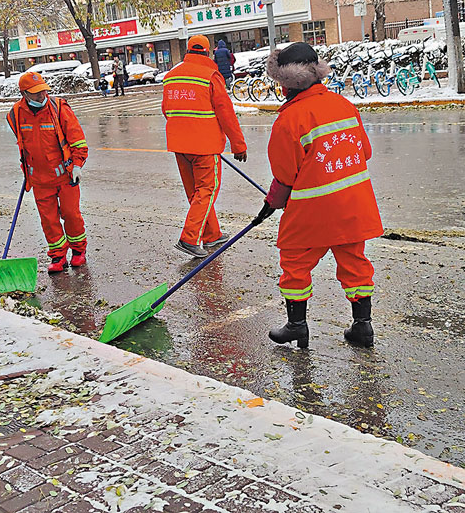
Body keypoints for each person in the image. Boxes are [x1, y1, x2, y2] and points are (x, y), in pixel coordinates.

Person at [259, 42, 383, 349]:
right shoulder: (344, 106)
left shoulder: (289, 120)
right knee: (355, 264)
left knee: (295, 265)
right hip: (353, 208)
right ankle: (362, 326)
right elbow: (363, 152)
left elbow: (286, 177)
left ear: (284, 83)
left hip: (312, 215)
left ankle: (297, 326)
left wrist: (271, 203)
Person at [162, 34, 248, 259]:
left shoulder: (170, 77)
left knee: (196, 193)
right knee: (207, 191)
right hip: (205, 146)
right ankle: (189, 239)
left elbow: (166, 110)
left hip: (180, 145)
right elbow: (226, 113)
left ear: (187, 51)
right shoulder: (210, 76)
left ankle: (212, 234)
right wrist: (238, 145)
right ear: (208, 52)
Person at [7, 71, 89, 272]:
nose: (41, 96)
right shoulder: (15, 114)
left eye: (43, 91)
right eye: (35, 93)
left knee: (71, 214)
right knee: (49, 220)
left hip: (65, 175)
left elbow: (77, 139)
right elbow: (23, 146)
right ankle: (58, 255)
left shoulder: (59, 108)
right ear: (24, 94)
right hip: (39, 178)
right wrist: (27, 172)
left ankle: (79, 251)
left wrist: (77, 165)